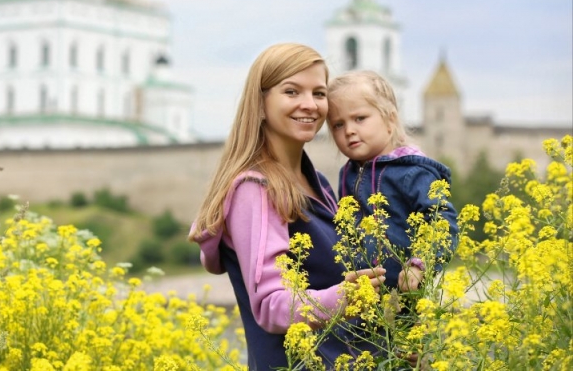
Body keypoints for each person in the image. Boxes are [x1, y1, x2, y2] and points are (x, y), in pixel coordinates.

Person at [189, 43, 386, 370]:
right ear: (260, 103)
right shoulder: (255, 190)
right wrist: (344, 298)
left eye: (319, 93)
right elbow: (270, 305)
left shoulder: (319, 184)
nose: (310, 104)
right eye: (292, 91)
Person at [326, 70, 459, 293]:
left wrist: (419, 265)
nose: (349, 130)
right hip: (362, 295)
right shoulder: (348, 173)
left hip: (404, 294)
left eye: (360, 118)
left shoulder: (413, 172)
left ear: (391, 120)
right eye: (338, 124)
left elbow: (442, 222)